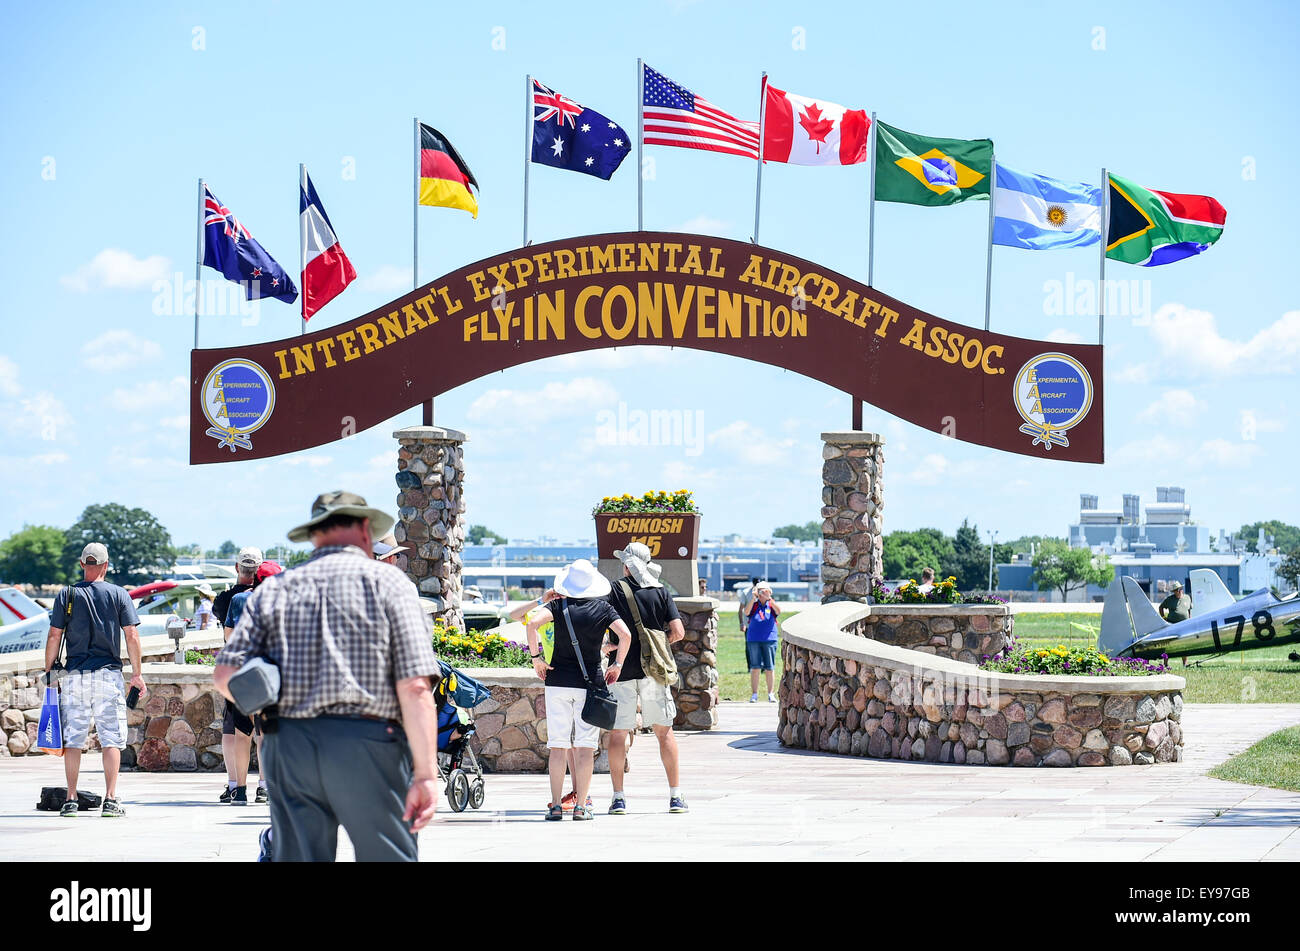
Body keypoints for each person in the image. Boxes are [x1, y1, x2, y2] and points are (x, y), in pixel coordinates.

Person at [214, 491, 441, 862]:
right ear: (366, 530)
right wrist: (426, 774)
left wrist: (268, 690)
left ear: (315, 535)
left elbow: (225, 674)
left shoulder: (275, 591)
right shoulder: (390, 585)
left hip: (289, 745)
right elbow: (416, 687)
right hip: (368, 745)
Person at [42, 543, 146, 818]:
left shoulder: (68, 594)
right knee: (111, 738)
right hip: (107, 674)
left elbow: (54, 635)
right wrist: (137, 674)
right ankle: (110, 800)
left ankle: (71, 799)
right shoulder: (118, 594)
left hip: (75, 675)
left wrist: (50, 670)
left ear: (81, 564)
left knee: (74, 739)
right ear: (106, 565)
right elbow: (131, 636)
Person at [524, 559, 632, 822]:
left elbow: (531, 624)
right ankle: (582, 806)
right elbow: (626, 635)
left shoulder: (558, 605)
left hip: (558, 680)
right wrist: (617, 664)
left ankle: (556, 807)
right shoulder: (604, 608)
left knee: (558, 747)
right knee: (585, 747)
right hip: (590, 684)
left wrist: (537, 658)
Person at [603, 542, 688, 815]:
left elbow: (600, 622)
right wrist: (658, 646)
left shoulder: (615, 589)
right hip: (654, 671)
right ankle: (675, 796)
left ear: (627, 564)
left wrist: (610, 646)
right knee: (664, 733)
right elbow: (678, 631)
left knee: (618, 734)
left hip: (621, 669)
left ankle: (618, 797)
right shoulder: (660, 591)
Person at [221, 560, 283, 805]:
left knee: (241, 733)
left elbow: (229, 636)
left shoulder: (238, 601)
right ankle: (264, 788)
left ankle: (241, 789)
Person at [212, 547, 258, 803]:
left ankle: (236, 785)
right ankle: (265, 785)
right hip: (270, 671)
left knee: (236, 731)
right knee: (265, 733)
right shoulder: (278, 596)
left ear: (237, 568)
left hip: (239, 668)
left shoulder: (229, 599)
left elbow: (228, 632)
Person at [743, 582, 781, 703]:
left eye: (765, 591)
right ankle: (754, 694)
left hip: (770, 639)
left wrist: (769, 598)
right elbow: (746, 612)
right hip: (754, 639)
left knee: (770, 667)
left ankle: (771, 693)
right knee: (755, 667)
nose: (762, 594)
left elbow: (779, 611)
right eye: (760, 591)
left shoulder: (771, 603)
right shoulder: (754, 605)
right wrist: (754, 598)